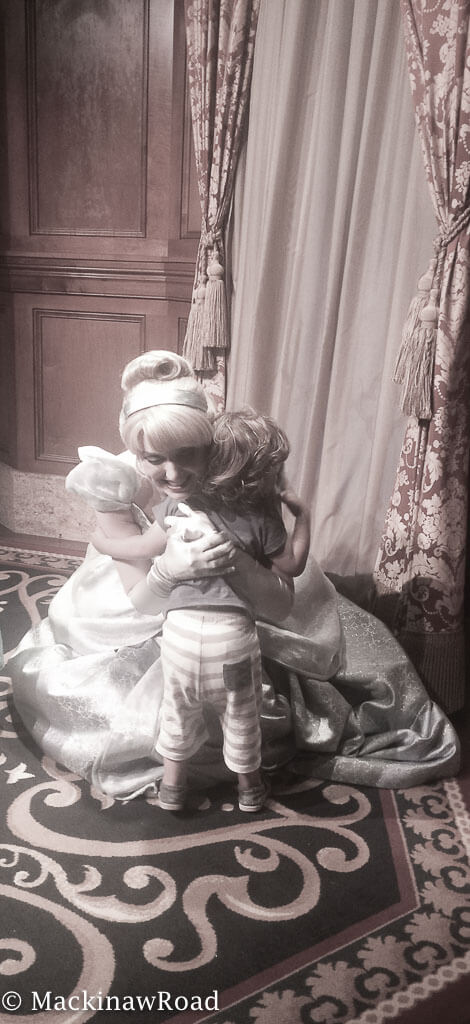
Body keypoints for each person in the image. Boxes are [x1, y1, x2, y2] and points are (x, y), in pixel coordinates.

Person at [7, 351, 460, 802]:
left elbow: (280, 595)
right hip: (144, 602)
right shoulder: (115, 483)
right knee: (174, 708)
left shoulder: (237, 474)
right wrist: (166, 569)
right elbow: (140, 594)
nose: (173, 474)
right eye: (153, 459)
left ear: (212, 441)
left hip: (237, 608)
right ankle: (221, 777)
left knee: (338, 664)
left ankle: (233, 774)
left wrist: (235, 560)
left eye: (189, 454)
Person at [70, 407, 311, 813]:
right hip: (232, 642)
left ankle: (172, 789)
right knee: (241, 715)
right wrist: (303, 516)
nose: (173, 471)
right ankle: (250, 789)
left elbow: (139, 548)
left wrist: (103, 542)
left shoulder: (173, 509)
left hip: (180, 640)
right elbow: (293, 566)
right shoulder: (262, 517)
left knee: (177, 713)